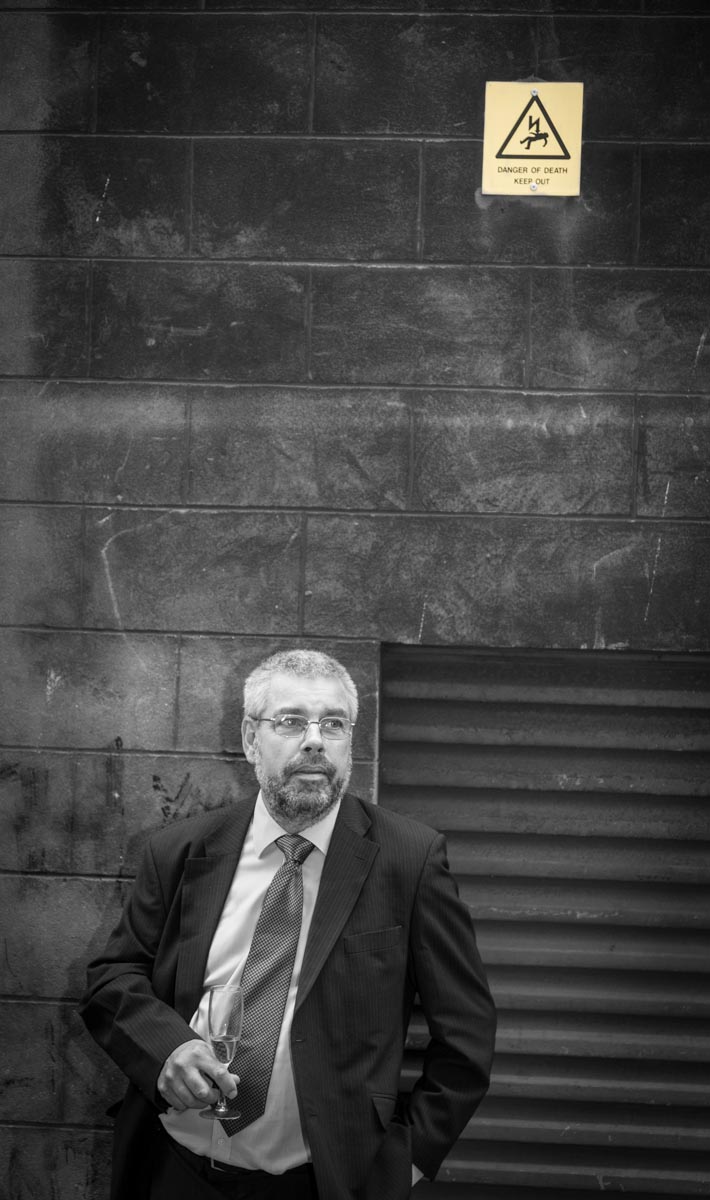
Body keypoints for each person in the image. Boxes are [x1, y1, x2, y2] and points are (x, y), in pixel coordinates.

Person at [80, 649, 496, 1200]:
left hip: (322, 1181)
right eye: (292, 721)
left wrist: (408, 1160)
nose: (315, 740)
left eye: (333, 724)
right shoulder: (178, 851)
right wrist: (167, 1050)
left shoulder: (409, 859)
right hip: (173, 1165)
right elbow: (114, 977)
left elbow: (467, 1032)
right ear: (251, 738)